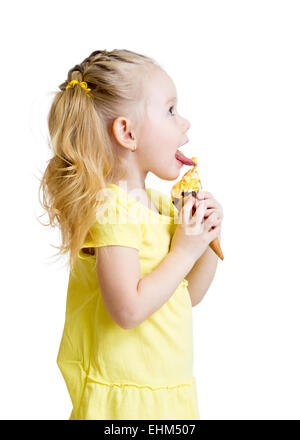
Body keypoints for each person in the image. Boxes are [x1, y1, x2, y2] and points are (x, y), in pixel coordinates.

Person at [38, 49, 223, 420]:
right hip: (123, 408)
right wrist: (184, 252)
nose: (184, 122)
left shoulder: (159, 204)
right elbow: (128, 309)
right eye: (170, 110)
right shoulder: (110, 209)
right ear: (127, 132)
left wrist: (202, 243)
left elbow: (186, 297)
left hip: (169, 396)